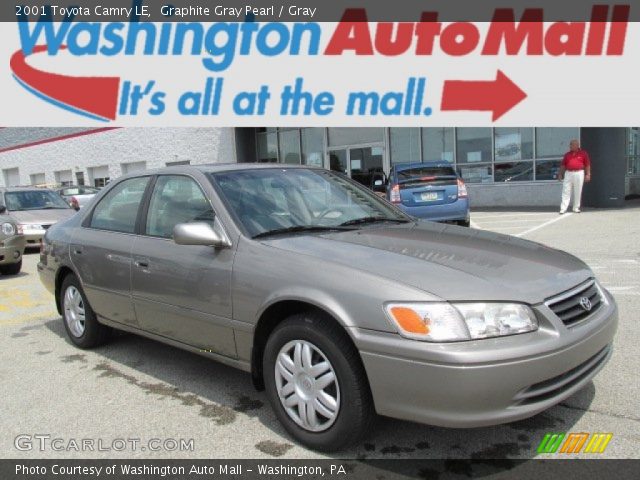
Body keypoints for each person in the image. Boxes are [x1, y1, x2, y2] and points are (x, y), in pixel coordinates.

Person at [558, 139, 591, 214]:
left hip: (579, 173)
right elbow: (563, 165)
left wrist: (588, 174)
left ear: (577, 145)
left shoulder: (583, 153)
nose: (570, 146)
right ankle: (563, 208)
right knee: (566, 190)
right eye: (570, 144)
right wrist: (560, 174)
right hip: (568, 173)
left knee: (578, 190)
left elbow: (587, 165)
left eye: (572, 144)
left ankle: (576, 207)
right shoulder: (567, 154)